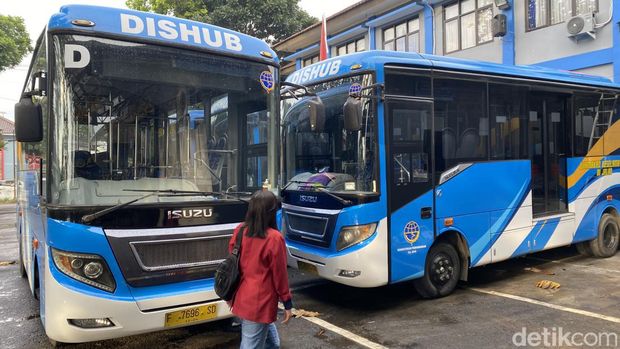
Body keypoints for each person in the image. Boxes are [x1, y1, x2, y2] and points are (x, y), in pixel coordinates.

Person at [228, 190, 292, 349]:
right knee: (251, 345)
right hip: (259, 303)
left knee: (273, 344)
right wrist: (287, 302)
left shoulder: (241, 230)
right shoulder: (274, 238)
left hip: (241, 296)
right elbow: (280, 275)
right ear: (271, 213)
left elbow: (232, 258)